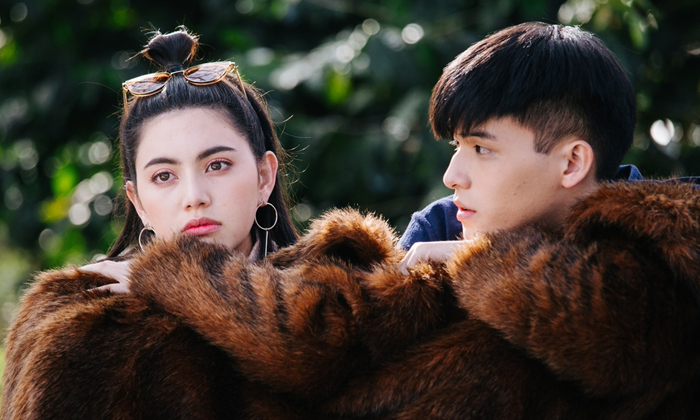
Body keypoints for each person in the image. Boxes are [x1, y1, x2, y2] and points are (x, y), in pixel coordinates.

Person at [77, 22, 700, 419]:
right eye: (163, 176)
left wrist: (476, 265)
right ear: (135, 197)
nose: (452, 174)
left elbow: (621, 335)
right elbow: (341, 354)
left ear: (572, 162)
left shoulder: (673, 240)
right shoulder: (436, 232)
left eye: (481, 149)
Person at [0, 27, 300, 419]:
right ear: (138, 201)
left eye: (217, 165)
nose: (194, 195)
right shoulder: (82, 325)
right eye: (164, 176)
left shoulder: (340, 303)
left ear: (264, 176)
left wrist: (174, 284)